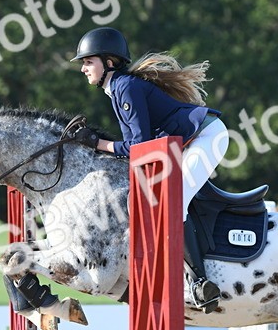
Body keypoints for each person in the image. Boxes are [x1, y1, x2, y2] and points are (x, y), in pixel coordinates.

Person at [70, 27, 230, 311]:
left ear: (109, 62)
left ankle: (200, 283)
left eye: (88, 61)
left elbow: (139, 146)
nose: (83, 68)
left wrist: (98, 144)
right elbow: (138, 150)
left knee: (173, 201)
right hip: (186, 142)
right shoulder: (118, 89)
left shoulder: (125, 87)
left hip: (207, 137)